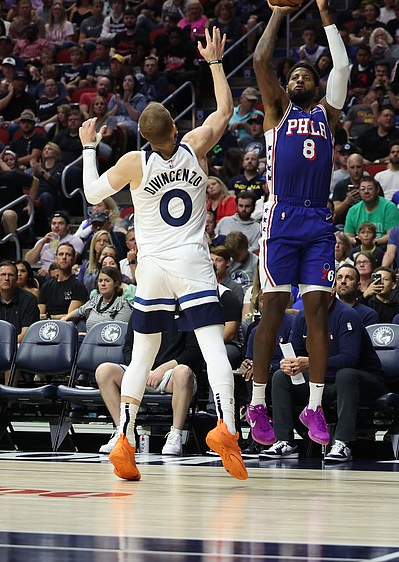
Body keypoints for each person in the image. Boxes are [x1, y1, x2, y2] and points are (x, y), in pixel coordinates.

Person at [79, 27, 246, 481]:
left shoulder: (136, 163)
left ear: (143, 136)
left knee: (140, 358)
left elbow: (95, 194)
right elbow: (225, 110)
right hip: (192, 262)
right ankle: (227, 428)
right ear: (175, 127)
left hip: (150, 268)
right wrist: (214, 62)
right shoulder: (196, 146)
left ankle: (125, 440)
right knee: (213, 349)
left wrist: (89, 147)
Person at [247, 0, 348, 450]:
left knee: (316, 314)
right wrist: (279, 11)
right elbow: (260, 59)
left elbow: (343, 68)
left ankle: (313, 406)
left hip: (319, 221)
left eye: (305, 74)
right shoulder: (276, 112)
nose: (299, 77)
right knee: (272, 310)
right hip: (281, 218)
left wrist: (325, 15)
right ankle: (258, 401)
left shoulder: (328, 115)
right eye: (294, 76)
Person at [259, 279, 385, 463]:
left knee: (346, 375)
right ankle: (285, 441)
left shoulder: (347, 315)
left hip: (363, 380)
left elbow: (350, 359)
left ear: (331, 292)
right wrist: (288, 364)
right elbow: (296, 354)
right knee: (281, 377)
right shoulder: (302, 318)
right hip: (324, 381)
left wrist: (311, 363)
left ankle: (342, 443)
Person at [97, 328, 204, 457]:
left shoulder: (186, 311)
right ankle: (123, 432)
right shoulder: (142, 310)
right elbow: (128, 348)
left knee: (183, 372)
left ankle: (175, 435)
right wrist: (141, 369)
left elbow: (193, 353)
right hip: (140, 370)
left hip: (170, 373)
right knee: (104, 371)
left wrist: (161, 369)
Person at [0, 261, 40, 345]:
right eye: (3, 274)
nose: (7, 278)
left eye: (11, 275)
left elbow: (26, 334)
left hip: (21, 347)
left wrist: (5, 345)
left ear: (16, 278)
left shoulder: (29, 299)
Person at [62, 266, 132, 331]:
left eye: (107, 281)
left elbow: (118, 330)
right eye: (100, 281)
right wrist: (64, 319)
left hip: (109, 341)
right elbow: (79, 311)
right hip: (89, 340)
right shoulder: (95, 300)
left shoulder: (122, 304)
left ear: (116, 283)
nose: (103, 284)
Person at [37, 242, 88, 320]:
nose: (64, 257)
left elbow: (71, 316)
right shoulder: (46, 286)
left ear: (74, 260)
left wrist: (48, 317)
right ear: (55, 258)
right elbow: (40, 314)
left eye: (68, 255)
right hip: (46, 326)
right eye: (61, 254)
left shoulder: (78, 286)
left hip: (67, 327)